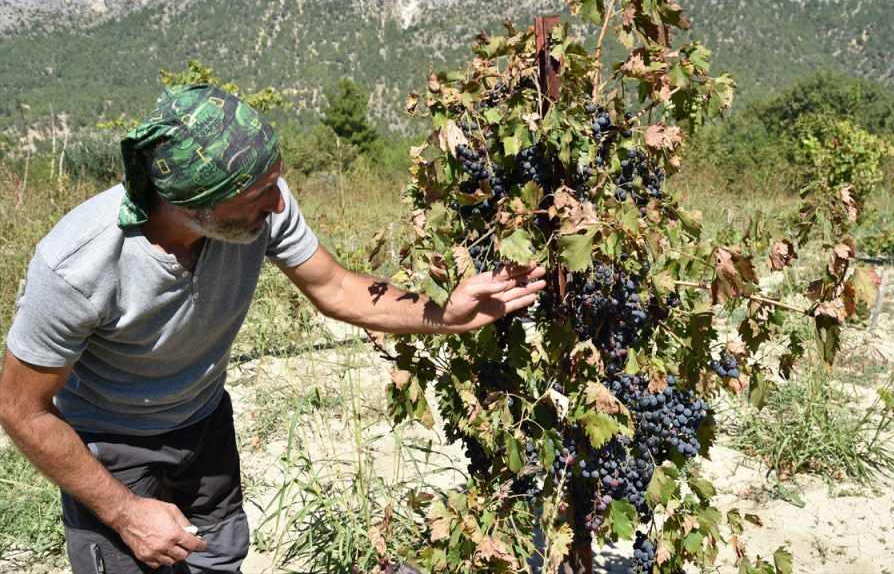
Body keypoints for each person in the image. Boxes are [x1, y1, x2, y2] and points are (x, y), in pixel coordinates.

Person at [0, 84, 546, 573]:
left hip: (204, 421)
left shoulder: (262, 209)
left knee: (219, 558)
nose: (280, 202)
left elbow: (335, 288)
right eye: (261, 192)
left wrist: (445, 314)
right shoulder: (78, 265)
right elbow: (20, 408)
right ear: (198, 203)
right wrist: (124, 511)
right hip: (111, 447)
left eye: (276, 182)